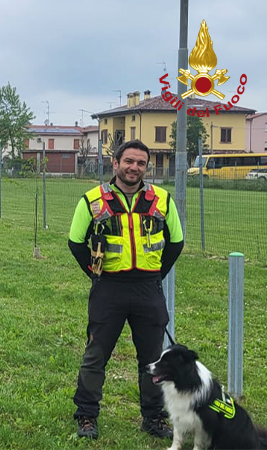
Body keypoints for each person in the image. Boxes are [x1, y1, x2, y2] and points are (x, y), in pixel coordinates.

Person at [68, 139, 184, 440]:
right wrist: (96, 275)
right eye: (129, 161)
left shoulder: (161, 199)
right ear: (115, 163)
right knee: (96, 355)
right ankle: (86, 416)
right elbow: (75, 242)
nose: (134, 167)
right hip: (109, 288)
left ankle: (154, 418)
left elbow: (176, 242)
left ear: (147, 167)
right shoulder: (93, 200)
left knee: (153, 359)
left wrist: (157, 274)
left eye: (141, 163)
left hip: (148, 287)